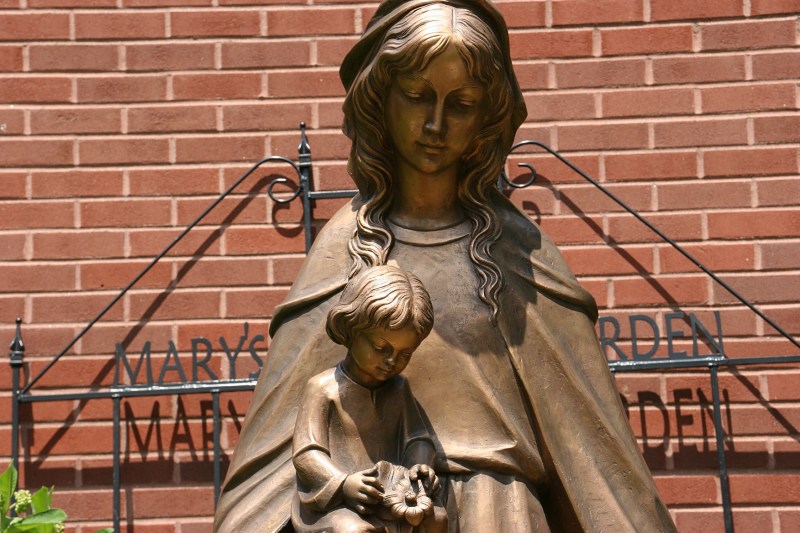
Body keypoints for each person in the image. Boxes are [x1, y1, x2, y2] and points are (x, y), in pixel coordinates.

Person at [214, 1, 677, 531]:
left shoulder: (520, 251)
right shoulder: (343, 248)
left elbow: (599, 456)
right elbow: (269, 469)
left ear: (486, 117)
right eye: (417, 95)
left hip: (500, 512)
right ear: (381, 97)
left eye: (461, 103)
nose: (435, 124)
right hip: (385, 513)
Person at [292, 265, 446, 532]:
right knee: (354, 530)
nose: (391, 360)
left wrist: (419, 466)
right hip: (339, 504)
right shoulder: (323, 389)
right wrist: (344, 483)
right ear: (351, 330)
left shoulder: (399, 389)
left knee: (437, 519)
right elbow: (307, 453)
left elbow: (417, 439)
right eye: (380, 347)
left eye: (405, 354)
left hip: (394, 496)